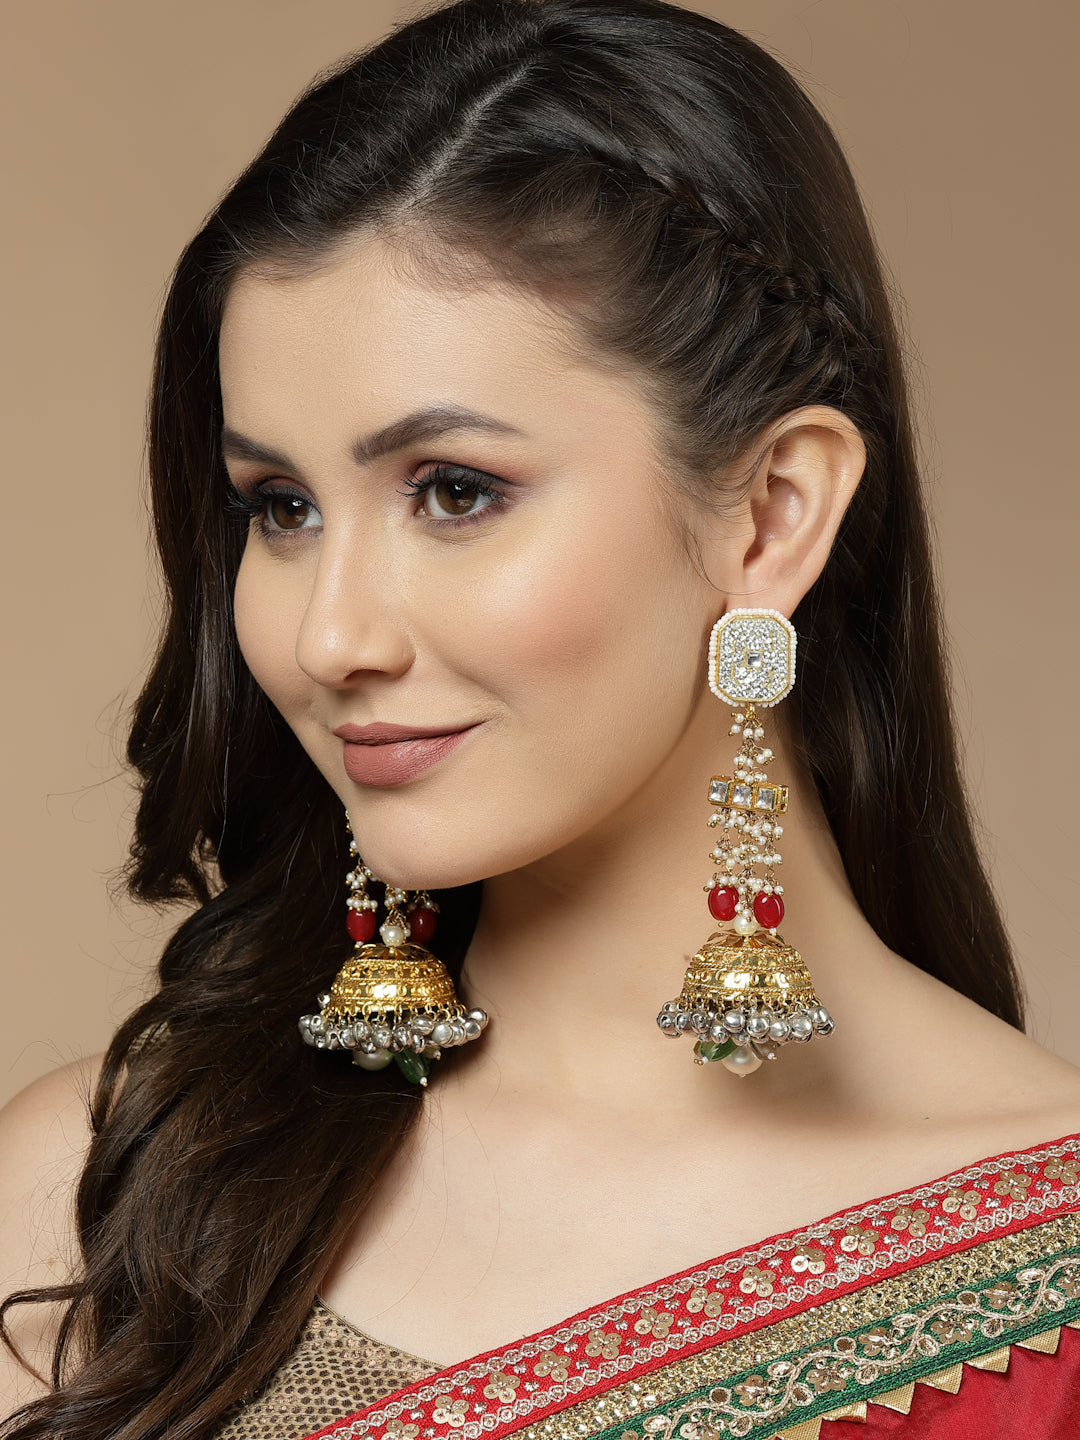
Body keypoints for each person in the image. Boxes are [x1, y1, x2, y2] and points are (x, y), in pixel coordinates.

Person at [3, 0, 1080, 1435]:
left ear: (772, 514)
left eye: (454, 491)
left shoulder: (1047, 1290)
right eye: (281, 507)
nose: (330, 639)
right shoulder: (102, 1196)